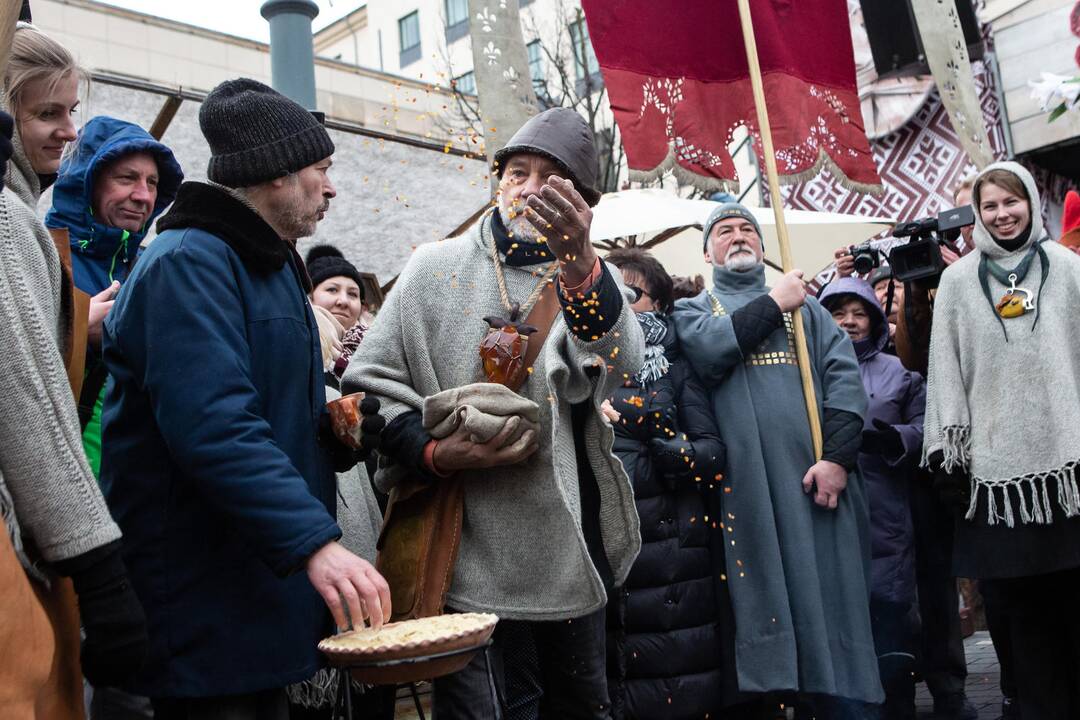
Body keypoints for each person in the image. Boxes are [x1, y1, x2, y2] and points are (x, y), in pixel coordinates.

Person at [99, 78, 388, 719]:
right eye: (322, 169)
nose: (332, 186)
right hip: (200, 605)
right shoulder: (187, 262)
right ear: (276, 175)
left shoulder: (272, 261)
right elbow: (214, 425)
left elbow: (267, 404)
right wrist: (316, 543)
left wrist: (331, 430)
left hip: (257, 592)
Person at [344, 106, 645, 718]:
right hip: (464, 539)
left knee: (580, 705)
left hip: (567, 537)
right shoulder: (434, 267)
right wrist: (430, 451)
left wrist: (583, 265)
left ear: (582, 202)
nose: (530, 189)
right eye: (517, 172)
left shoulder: (586, 273)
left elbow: (624, 359)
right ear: (499, 181)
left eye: (551, 178)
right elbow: (367, 385)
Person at [671, 202, 883, 716]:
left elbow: (845, 384)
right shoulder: (693, 310)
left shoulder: (808, 311)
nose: (739, 236)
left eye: (748, 229)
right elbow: (710, 351)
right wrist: (774, 300)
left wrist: (836, 459)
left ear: (764, 247)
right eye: (724, 231)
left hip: (815, 491)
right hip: (744, 498)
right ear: (706, 252)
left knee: (832, 616)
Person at [0, 24, 147, 717]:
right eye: (45, 112)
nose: (67, 131)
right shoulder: (9, 220)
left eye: (70, 112)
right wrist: (98, 569)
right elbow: (25, 404)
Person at [923, 161, 1080, 720]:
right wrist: (950, 454)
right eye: (989, 205)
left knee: (1073, 605)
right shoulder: (958, 283)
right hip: (995, 481)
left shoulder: (1067, 268)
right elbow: (945, 367)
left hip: (1069, 474)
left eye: (1010, 202)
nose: (1002, 214)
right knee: (1020, 614)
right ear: (977, 214)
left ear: (1032, 203)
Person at [602, 248, 727, 720]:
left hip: (673, 549)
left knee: (677, 679)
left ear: (658, 304)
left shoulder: (674, 368)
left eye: (634, 293)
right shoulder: (581, 361)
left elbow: (712, 453)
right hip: (608, 540)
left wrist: (666, 449)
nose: (622, 302)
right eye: (614, 290)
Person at [44, 115, 183, 489]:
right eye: (127, 178)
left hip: (134, 493)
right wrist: (75, 334)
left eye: (152, 183)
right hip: (56, 487)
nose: (143, 196)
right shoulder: (43, 254)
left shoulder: (153, 268)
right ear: (85, 182)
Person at [290, 244, 393, 720]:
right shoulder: (302, 363)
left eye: (353, 292)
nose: (343, 299)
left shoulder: (374, 363)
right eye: (331, 288)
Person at [820, 277, 926, 720]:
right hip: (828, 505)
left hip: (884, 508)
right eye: (838, 313)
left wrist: (894, 438)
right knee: (840, 614)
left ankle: (898, 705)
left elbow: (926, 429)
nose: (848, 322)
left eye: (859, 313)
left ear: (875, 320)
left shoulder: (898, 372)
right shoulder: (808, 373)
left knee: (889, 613)